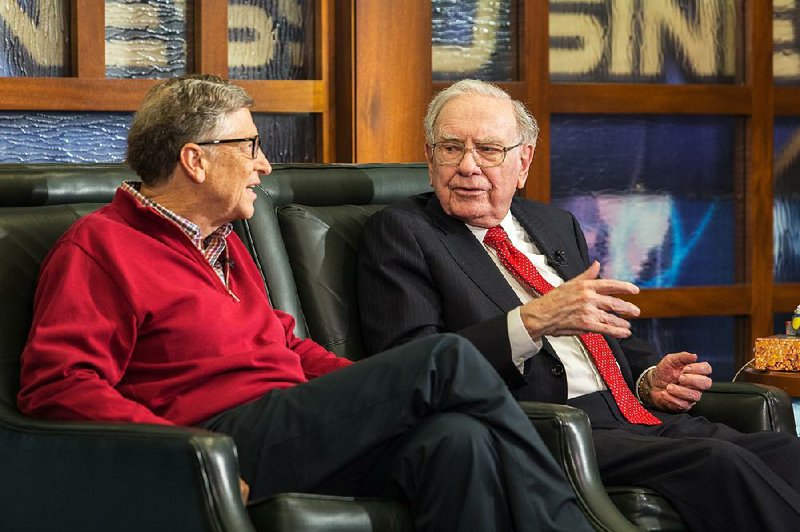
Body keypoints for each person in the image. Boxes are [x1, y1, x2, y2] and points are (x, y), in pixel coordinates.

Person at [16, 75, 591, 532]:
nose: (264, 165)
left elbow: (288, 346)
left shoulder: (225, 245)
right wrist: (183, 457)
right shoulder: (101, 246)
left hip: (295, 424)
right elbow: (60, 384)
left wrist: (383, 391)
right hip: (217, 437)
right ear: (195, 160)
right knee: (448, 358)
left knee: (455, 444)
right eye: (250, 147)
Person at [357, 78, 800, 531]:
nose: (468, 166)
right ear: (430, 156)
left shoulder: (553, 224)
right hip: (549, 427)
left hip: (632, 414)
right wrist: (531, 323)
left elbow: (602, 326)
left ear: (523, 161)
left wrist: (649, 378)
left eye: (488, 150)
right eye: (451, 148)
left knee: (787, 453)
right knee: (722, 462)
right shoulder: (404, 233)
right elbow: (412, 364)